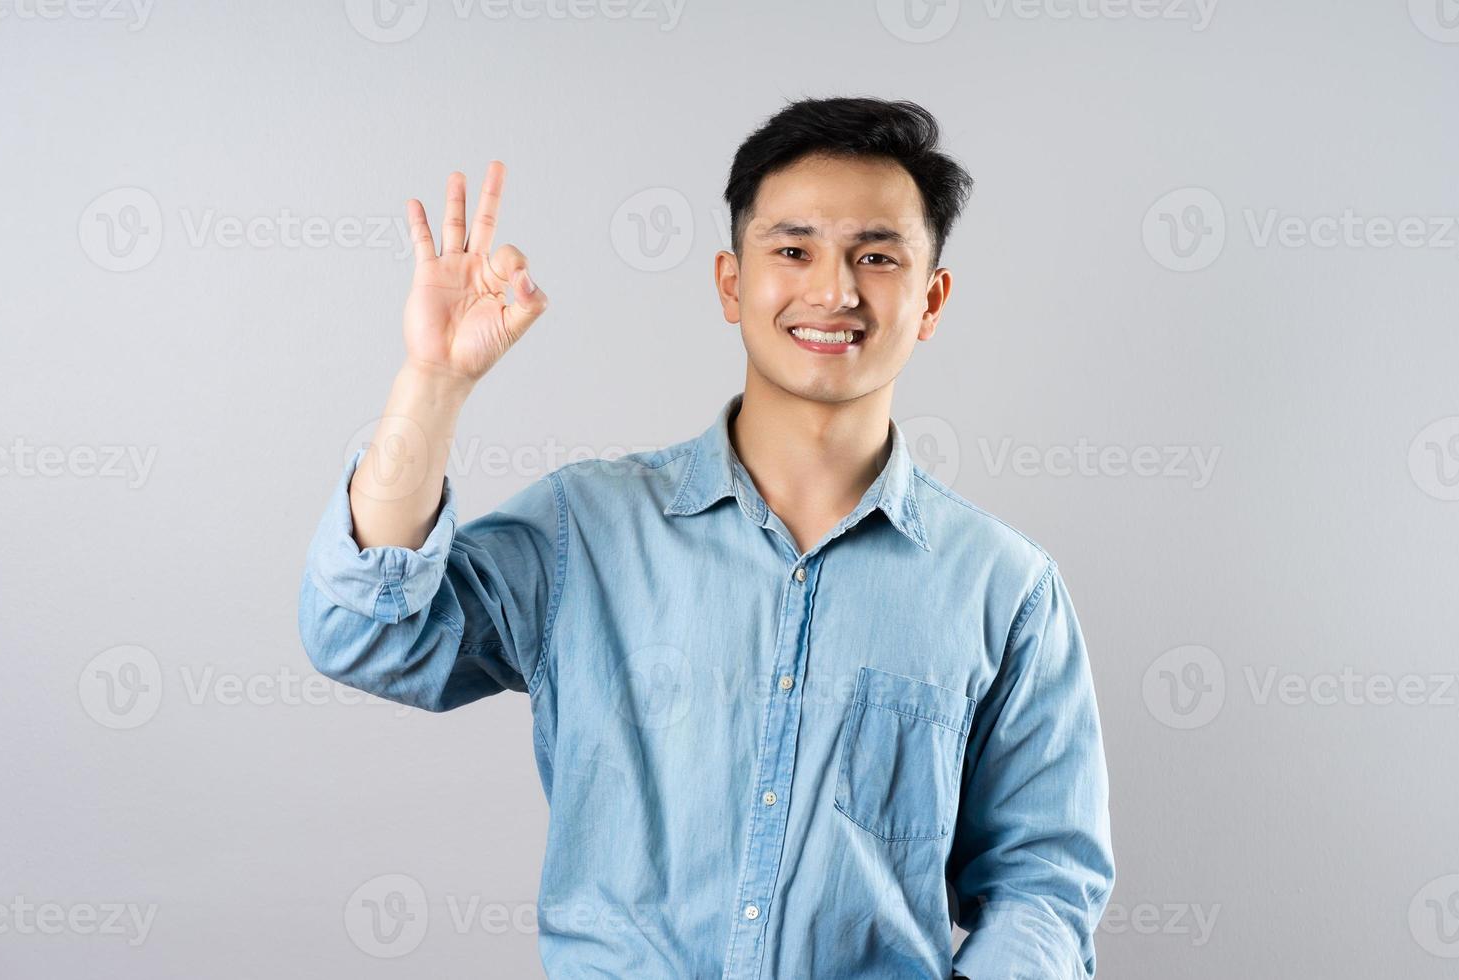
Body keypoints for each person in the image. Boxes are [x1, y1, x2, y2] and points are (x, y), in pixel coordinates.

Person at [299, 96, 1114, 979]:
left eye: (875, 256)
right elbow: (365, 636)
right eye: (793, 250)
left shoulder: (1004, 588)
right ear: (732, 283)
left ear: (931, 298)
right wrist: (434, 382)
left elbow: (1044, 880)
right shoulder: (588, 529)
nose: (833, 291)